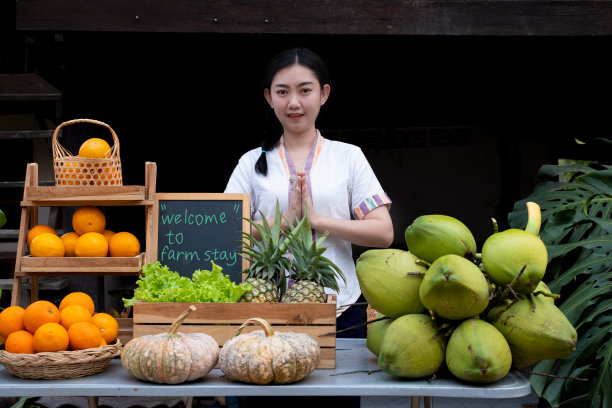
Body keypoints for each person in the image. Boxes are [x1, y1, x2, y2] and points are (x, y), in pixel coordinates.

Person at [224, 47, 393, 406]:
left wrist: (317, 221)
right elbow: (224, 233)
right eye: (282, 91)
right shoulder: (252, 162)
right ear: (269, 97)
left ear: (323, 94)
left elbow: (383, 232)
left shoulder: (348, 157)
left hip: (340, 312)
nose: (294, 102)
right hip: (264, 311)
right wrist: (285, 223)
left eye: (305, 90)